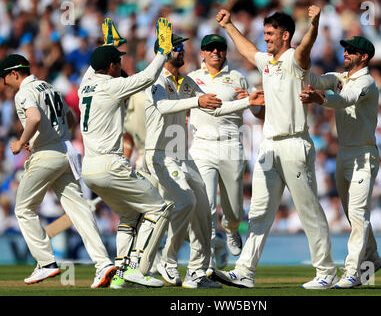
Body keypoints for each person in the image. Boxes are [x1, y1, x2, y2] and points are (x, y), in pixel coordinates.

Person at [210, 6, 338, 289]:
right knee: (259, 212)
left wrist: (314, 24)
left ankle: (326, 271)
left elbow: (306, 47)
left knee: (308, 210)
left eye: (270, 33)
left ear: (285, 35)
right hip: (269, 146)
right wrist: (229, 25)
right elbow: (246, 50)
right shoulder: (266, 62)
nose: (265, 38)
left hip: (294, 143)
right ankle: (244, 271)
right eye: (264, 33)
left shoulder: (294, 59)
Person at [144, 34, 265, 289]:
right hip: (170, 152)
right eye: (176, 48)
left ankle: (198, 271)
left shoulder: (186, 82)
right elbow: (163, 107)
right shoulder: (154, 80)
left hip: (199, 150)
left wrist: (247, 101)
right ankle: (168, 259)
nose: (181, 51)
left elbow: (214, 107)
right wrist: (196, 101)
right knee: (191, 203)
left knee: (211, 209)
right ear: (163, 53)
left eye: (181, 47)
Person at [0, 54, 116, 288]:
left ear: (14, 73)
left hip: (46, 155)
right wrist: (55, 134)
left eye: (4, 79)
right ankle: (103, 263)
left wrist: (21, 141)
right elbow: (71, 118)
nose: (4, 85)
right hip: (67, 152)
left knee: (23, 208)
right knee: (79, 210)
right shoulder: (50, 87)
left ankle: (45, 263)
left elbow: (32, 118)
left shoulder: (24, 91)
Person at [78, 18, 175, 289]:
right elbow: (146, 78)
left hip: (90, 170)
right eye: (117, 60)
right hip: (111, 165)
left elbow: (95, 63)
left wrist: (110, 44)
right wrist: (162, 52)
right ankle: (136, 267)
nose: (121, 64)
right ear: (111, 67)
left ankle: (120, 274)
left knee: (130, 216)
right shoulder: (112, 86)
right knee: (159, 208)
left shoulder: (85, 83)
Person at [299, 35, 381, 288]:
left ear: (364, 57)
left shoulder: (367, 82)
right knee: (352, 214)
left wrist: (320, 99)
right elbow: (315, 79)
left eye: (351, 51)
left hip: (363, 154)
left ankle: (352, 272)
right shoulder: (340, 78)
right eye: (345, 49)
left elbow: (346, 100)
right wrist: (299, 60)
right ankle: (372, 258)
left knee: (358, 214)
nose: (346, 53)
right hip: (344, 153)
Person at [188, 34, 260, 273]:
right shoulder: (192, 79)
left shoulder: (238, 77)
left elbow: (255, 109)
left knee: (234, 208)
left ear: (225, 52)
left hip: (230, 144)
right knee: (205, 205)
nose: (215, 52)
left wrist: (254, 103)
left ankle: (230, 230)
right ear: (202, 53)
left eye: (219, 48)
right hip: (202, 145)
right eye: (210, 49)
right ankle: (206, 257)